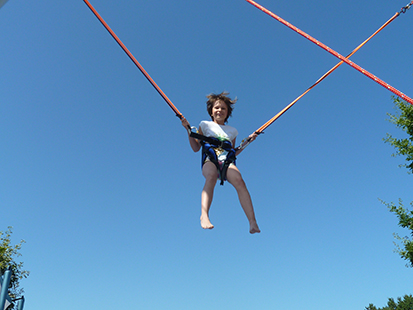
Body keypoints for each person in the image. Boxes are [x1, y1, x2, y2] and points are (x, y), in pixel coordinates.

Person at [181, 92, 260, 234]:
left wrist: (248, 142)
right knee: (211, 177)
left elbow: (233, 152)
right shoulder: (204, 125)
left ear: (228, 112)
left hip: (226, 161)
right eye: (217, 107)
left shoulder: (233, 131)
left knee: (240, 181)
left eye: (223, 108)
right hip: (210, 159)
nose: (220, 110)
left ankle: (252, 221)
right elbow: (196, 148)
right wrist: (187, 130)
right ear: (211, 111)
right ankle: (204, 215)